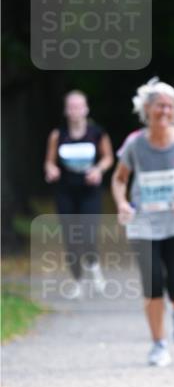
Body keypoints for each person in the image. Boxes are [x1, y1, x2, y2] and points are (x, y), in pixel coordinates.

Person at [111, 78, 174, 367]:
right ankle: (158, 343)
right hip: (144, 224)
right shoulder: (135, 143)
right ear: (147, 108)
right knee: (152, 285)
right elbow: (118, 178)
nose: (163, 111)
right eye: (158, 105)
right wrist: (122, 203)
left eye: (169, 106)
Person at [44, 90, 114, 297]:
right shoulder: (58, 135)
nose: (75, 111)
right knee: (71, 237)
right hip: (65, 190)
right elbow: (49, 161)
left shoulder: (97, 133)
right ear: (66, 110)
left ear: (86, 109)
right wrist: (51, 169)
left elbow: (108, 157)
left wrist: (98, 170)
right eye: (71, 107)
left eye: (79, 106)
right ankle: (77, 281)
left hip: (90, 190)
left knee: (88, 233)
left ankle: (94, 267)